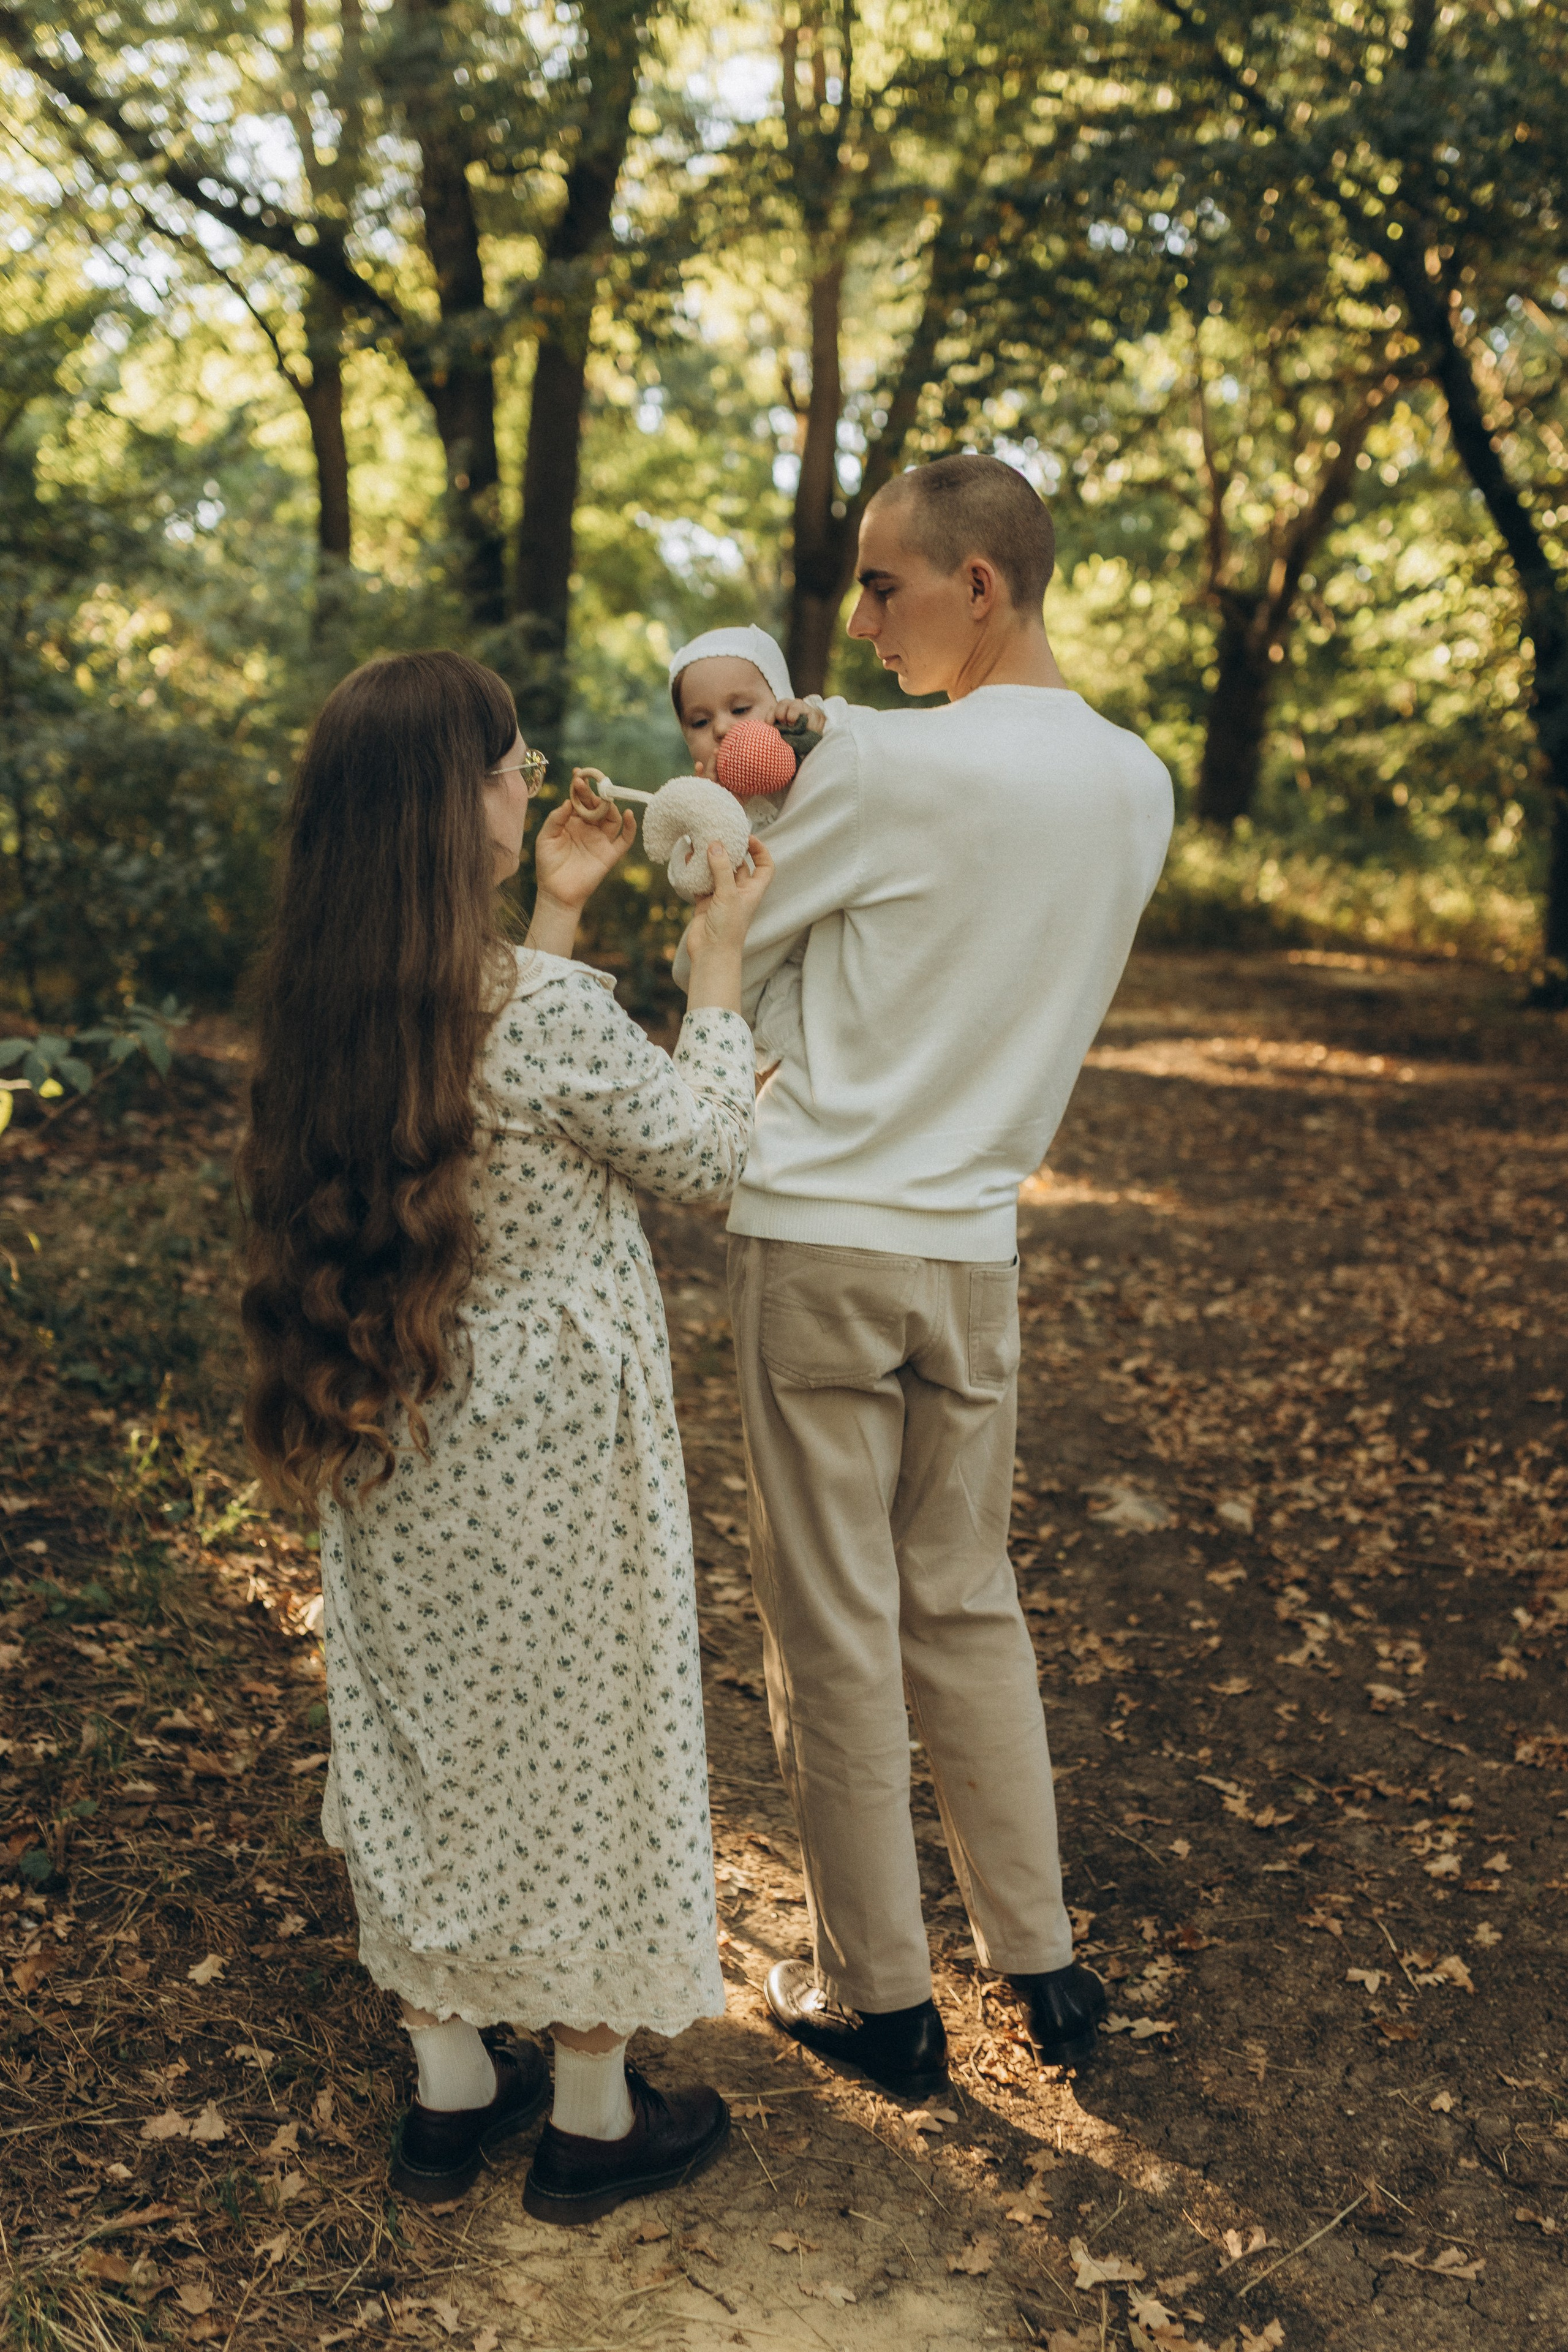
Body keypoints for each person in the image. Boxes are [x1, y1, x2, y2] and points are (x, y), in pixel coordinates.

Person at [237, 650, 773, 2223]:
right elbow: (705, 1151)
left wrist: (557, 913)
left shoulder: (336, 1011)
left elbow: (473, 1115)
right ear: (439, 805)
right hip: (553, 1450)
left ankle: (451, 2082)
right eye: (510, 762)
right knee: (583, 1742)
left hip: (393, 1433)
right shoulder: (537, 1016)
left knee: (431, 1740)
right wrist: (719, 959)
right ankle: (594, 2113)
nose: (537, 776)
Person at [683, 454, 1174, 2096]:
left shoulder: (886, 764)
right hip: (974, 1244)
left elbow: (731, 930)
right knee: (967, 1603)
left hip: (823, 1227)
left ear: (985, 585)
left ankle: (877, 1997)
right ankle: (1045, 1964)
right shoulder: (1137, 784)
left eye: (886, 585)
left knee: (833, 1621)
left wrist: (763, 804)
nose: (858, 615)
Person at [668, 624, 836, 1075]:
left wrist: (805, 725)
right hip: (752, 976)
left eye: (740, 709)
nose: (722, 727)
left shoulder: (815, 768)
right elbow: (687, 876)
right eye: (700, 722)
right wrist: (716, 813)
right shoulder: (709, 801)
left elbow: (834, 730)